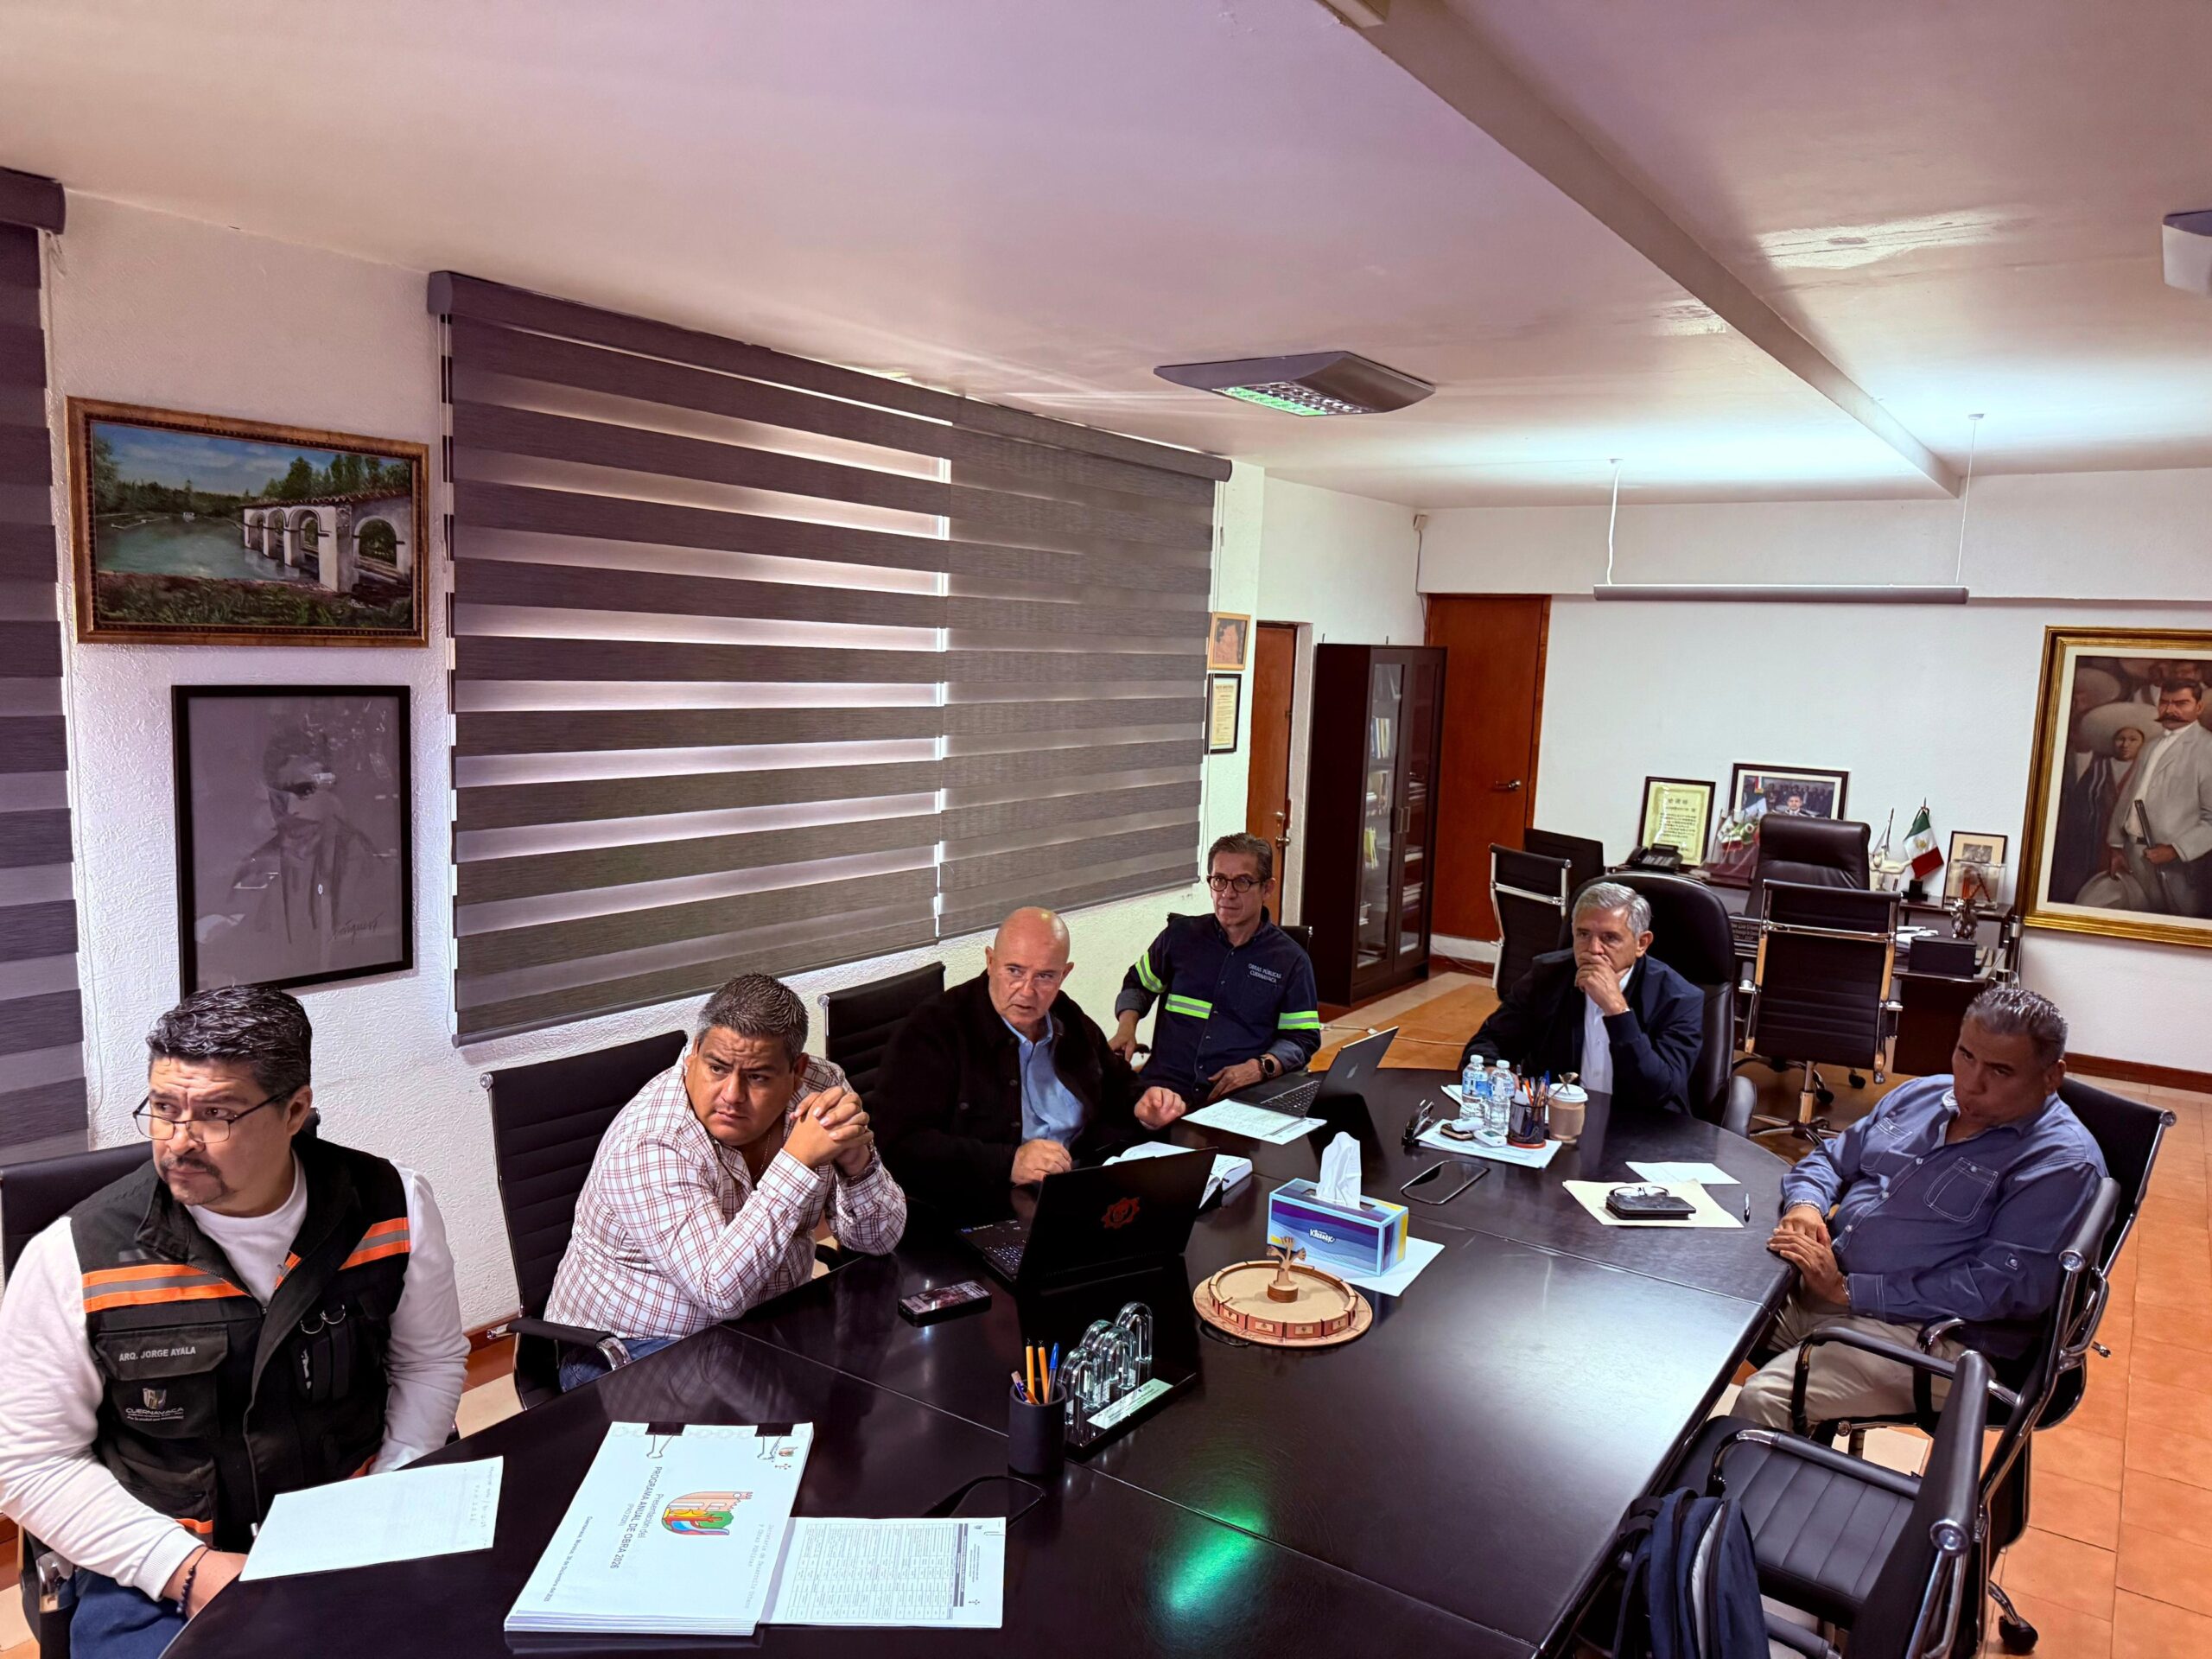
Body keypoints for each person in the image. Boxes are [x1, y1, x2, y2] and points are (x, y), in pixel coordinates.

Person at [0, 988, 467, 1657]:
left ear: (295, 1111)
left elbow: (428, 1361)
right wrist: (185, 1571)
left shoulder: (393, 1205)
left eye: (216, 1114)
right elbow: (31, 1462)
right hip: (164, 1564)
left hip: (355, 1520)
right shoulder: (77, 1256)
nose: (179, 1143)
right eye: (164, 1109)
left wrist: (394, 1481)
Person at [1733, 987, 2107, 1429]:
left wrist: (1852, 1291)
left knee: (1766, 1400)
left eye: (2000, 1071)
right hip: (1829, 1286)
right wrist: (1806, 1206)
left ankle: (1735, 1476)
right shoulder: (1924, 1094)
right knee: (1697, 1310)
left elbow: (1997, 1290)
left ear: (2051, 1076)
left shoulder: (2061, 1164)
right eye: (1965, 1055)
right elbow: (1831, 1158)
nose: (1971, 1083)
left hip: (1938, 1336)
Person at [546, 973, 906, 1390]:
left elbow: (879, 1240)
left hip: (766, 1325)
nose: (731, 1095)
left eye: (758, 1077)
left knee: (879, 1391)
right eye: (717, 1068)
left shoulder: (821, 1088)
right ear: (694, 1054)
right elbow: (719, 1292)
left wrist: (857, 1164)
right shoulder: (652, 1140)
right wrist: (797, 1161)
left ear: (796, 1071)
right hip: (637, 1348)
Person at [873, 908, 1189, 1224]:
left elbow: (1116, 1081)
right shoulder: (934, 1029)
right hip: (990, 1206)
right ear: (990, 962)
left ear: (1064, 974)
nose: (1027, 991)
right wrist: (1009, 1162)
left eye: (1045, 976)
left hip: (1081, 1183)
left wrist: (1143, 1105)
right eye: (1014, 971)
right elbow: (899, 1146)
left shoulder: (1065, 1015)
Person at [1111, 834, 1321, 1105]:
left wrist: (1260, 1067)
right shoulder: (1180, 936)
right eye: (1219, 880)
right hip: (1165, 1089)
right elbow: (1138, 984)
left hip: (1239, 1098)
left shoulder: (1291, 960)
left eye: (1242, 882)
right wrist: (1126, 1028)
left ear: (1267, 889)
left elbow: (1302, 1038)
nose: (1227, 894)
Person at [1458, 880, 1703, 1112]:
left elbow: (1658, 1091)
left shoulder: (1678, 999)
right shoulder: (1547, 976)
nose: (1593, 949)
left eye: (1609, 938)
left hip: (1643, 1128)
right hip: (1556, 1122)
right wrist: (1489, 1068)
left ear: (1642, 943)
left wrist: (1617, 1009)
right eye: (1583, 934)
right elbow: (1488, 1042)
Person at [2106, 678, 2212, 917]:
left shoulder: (2208, 748)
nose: (2170, 710)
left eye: (2181, 703)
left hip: (2179, 864)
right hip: (2134, 856)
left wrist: (2176, 850)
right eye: (2165, 702)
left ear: (2199, 707)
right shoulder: (2151, 746)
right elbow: (2128, 796)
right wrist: (2117, 846)